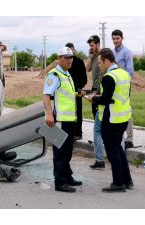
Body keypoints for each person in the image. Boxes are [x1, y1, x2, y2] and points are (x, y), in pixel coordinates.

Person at [86, 48, 133, 192]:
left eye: (100, 62)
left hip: (111, 118)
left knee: (113, 150)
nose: (99, 65)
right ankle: (127, 180)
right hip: (123, 117)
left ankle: (118, 183)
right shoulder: (124, 74)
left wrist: (92, 98)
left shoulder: (109, 77)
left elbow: (106, 99)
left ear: (107, 61)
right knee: (119, 149)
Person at [43, 47, 84, 193]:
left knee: (68, 151)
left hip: (69, 119)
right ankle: (60, 182)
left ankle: (67, 177)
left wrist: (76, 94)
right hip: (59, 119)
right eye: (66, 57)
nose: (70, 60)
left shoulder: (66, 74)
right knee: (60, 152)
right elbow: (46, 95)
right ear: (59, 58)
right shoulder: (54, 75)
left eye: (71, 57)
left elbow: (64, 94)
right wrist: (49, 114)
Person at [112, 29, 134, 149]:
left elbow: (130, 71)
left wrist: (123, 84)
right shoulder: (112, 53)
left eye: (117, 38)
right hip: (113, 86)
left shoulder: (127, 52)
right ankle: (118, 137)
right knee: (117, 110)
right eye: (114, 39)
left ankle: (129, 139)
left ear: (122, 38)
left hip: (124, 86)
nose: (115, 41)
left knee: (126, 110)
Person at [86, 35, 105, 169]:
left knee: (100, 123)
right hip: (95, 88)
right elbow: (88, 69)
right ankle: (100, 146)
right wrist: (90, 56)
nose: (91, 47)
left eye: (92, 45)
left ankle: (100, 156)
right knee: (97, 118)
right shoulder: (93, 57)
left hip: (101, 89)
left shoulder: (103, 55)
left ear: (98, 44)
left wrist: (96, 93)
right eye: (90, 45)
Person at [65, 43, 87, 140]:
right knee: (69, 113)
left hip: (77, 91)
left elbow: (84, 78)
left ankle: (78, 133)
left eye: (71, 49)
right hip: (67, 92)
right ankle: (70, 133)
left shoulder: (79, 62)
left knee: (78, 112)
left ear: (74, 50)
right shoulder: (64, 63)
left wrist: (79, 87)